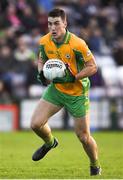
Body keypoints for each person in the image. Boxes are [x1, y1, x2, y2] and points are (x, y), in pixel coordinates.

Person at [31, 8, 101, 176]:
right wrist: (41, 73)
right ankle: (50, 143)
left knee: (83, 137)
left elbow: (93, 67)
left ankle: (95, 165)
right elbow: (42, 59)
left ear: (65, 24)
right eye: (49, 24)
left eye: (56, 24)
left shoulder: (78, 44)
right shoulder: (44, 41)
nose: (52, 28)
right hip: (56, 89)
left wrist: (75, 77)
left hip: (77, 93)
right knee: (35, 124)